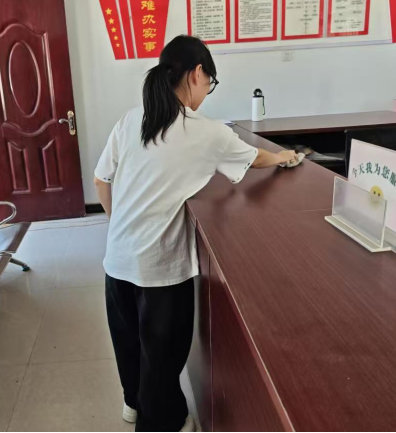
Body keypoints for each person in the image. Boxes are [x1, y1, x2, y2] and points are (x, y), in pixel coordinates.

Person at [94, 35, 299, 433]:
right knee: (163, 356)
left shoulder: (131, 119)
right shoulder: (206, 131)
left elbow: (102, 181)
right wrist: (283, 156)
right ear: (197, 73)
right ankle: (163, 423)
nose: (207, 91)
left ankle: (132, 404)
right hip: (159, 271)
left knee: (129, 344)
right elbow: (255, 158)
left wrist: (120, 226)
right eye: (210, 82)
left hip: (116, 261)